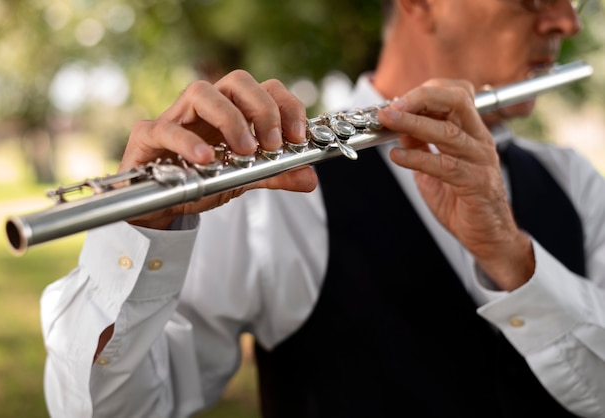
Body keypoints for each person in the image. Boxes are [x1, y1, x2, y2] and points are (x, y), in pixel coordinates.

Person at [40, 0, 605, 417]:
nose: (566, 22)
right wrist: (137, 232)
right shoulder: (278, 191)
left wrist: (514, 260)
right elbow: (111, 409)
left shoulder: (574, 179)